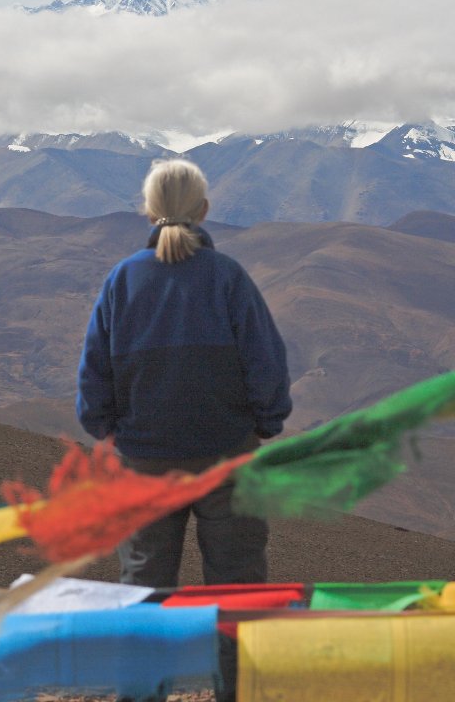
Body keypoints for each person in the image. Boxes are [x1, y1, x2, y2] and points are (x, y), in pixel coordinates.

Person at [76, 159, 291, 698]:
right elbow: (265, 358)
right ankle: (237, 692)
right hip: (226, 456)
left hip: (144, 460)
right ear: (204, 211)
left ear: (148, 212)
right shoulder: (228, 278)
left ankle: (142, 693)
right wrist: (266, 421)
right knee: (238, 586)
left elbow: (94, 368)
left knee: (145, 587)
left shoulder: (122, 279)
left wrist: (106, 428)